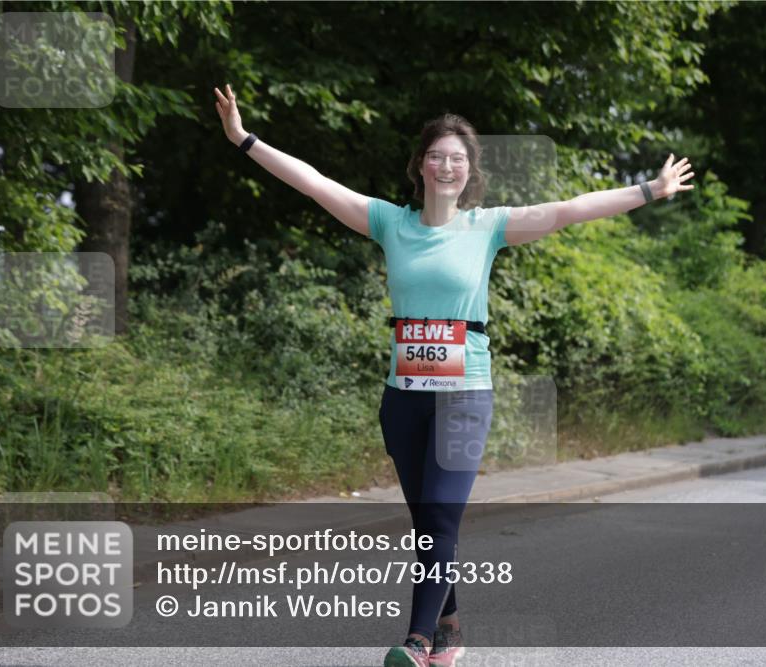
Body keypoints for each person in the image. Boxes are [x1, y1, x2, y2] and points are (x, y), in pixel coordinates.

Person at [214, 83, 694, 666]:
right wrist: (243, 139)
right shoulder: (388, 222)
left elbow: (570, 209)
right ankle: (450, 628)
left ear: (470, 172)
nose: (447, 166)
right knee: (428, 524)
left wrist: (650, 189)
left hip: (465, 396)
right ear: (420, 164)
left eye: (458, 159)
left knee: (441, 517)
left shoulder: (487, 227)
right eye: (437, 156)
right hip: (403, 398)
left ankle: (416, 642)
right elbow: (313, 182)